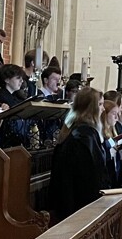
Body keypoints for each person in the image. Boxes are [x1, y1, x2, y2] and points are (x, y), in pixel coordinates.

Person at [47, 88, 113, 224]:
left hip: (70, 202)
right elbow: (91, 177)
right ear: (91, 108)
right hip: (80, 207)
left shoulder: (76, 128)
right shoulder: (85, 136)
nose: (103, 109)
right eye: (100, 105)